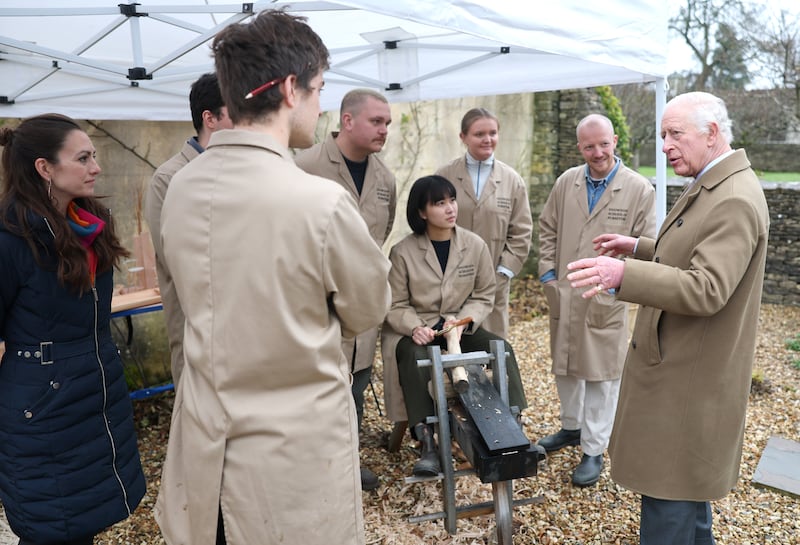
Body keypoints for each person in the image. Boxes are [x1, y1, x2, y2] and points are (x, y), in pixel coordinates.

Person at [153, 10, 391, 545]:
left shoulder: (182, 186)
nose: (321, 103)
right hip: (290, 466)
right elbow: (367, 310)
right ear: (289, 89)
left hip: (201, 451)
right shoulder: (321, 201)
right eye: (319, 89)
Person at [566, 92, 769, 543]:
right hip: (683, 375)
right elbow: (692, 252)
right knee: (687, 501)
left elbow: (707, 288)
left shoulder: (733, 198)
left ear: (711, 133)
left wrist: (625, 275)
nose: (665, 145)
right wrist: (638, 248)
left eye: (675, 133)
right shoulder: (716, 182)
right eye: (663, 135)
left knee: (669, 504)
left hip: (687, 382)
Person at [0, 114, 146, 544]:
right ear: (44, 168)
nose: (96, 167)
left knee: (85, 519)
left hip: (94, 395)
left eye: (94, 156)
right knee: (53, 525)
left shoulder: (88, 223)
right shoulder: (11, 239)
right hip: (42, 411)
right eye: (83, 158)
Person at [536, 113, 656, 487]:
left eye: (603, 144)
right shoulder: (565, 182)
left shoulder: (638, 189)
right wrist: (548, 277)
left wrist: (621, 285)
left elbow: (648, 247)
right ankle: (571, 428)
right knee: (567, 368)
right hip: (566, 292)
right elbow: (548, 230)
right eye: (589, 146)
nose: (597, 152)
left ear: (615, 140)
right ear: (579, 148)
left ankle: (594, 449)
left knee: (602, 376)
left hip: (606, 297)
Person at [381, 175, 528, 476]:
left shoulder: (474, 245)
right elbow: (394, 303)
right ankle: (428, 445)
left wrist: (463, 320)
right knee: (414, 357)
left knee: (501, 349)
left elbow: (485, 294)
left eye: (452, 200)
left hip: (460, 329)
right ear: (422, 212)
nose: (450, 208)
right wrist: (413, 327)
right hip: (420, 331)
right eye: (439, 203)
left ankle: (515, 429)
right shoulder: (403, 251)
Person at [294, 88, 395, 490]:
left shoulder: (385, 177)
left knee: (355, 387)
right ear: (347, 121)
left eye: (387, 123)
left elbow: (378, 237)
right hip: (313, 305)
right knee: (313, 392)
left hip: (360, 310)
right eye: (376, 121)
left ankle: (346, 465)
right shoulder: (304, 166)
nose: (384, 130)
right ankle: (311, 470)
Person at [143, 72, 233, 388]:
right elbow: (176, 261)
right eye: (236, 111)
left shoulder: (241, 170)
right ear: (209, 118)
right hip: (198, 333)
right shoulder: (169, 179)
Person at [435, 108, 532, 339]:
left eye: (493, 133)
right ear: (463, 137)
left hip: (494, 278)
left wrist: (504, 271)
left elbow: (522, 231)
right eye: (479, 134)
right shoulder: (445, 175)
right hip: (449, 276)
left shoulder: (512, 181)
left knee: (491, 343)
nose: (487, 139)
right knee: (450, 339)